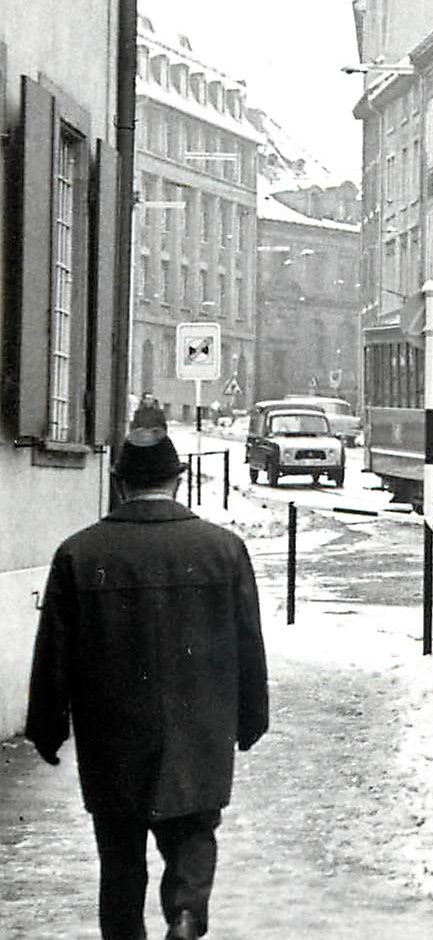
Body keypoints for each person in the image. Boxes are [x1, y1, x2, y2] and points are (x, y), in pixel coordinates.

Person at [26, 403, 269, 940]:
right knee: (194, 834)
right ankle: (184, 914)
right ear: (176, 481)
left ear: (119, 483)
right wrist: (251, 718)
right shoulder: (223, 550)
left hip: (113, 737)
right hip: (199, 732)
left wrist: (47, 726)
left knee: (119, 859)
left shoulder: (79, 554)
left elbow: (54, 654)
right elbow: (249, 644)